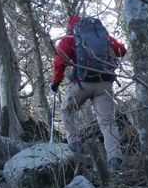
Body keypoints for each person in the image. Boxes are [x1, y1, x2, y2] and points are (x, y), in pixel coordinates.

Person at [51, 15, 128, 167]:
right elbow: (122, 50)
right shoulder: (103, 36)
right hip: (104, 83)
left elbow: (59, 62)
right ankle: (115, 159)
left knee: (66, 110)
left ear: (71, 26)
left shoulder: (70, 39)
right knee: (107, 122)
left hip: (82, 85)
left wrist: (56, 82)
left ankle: (75, 144)